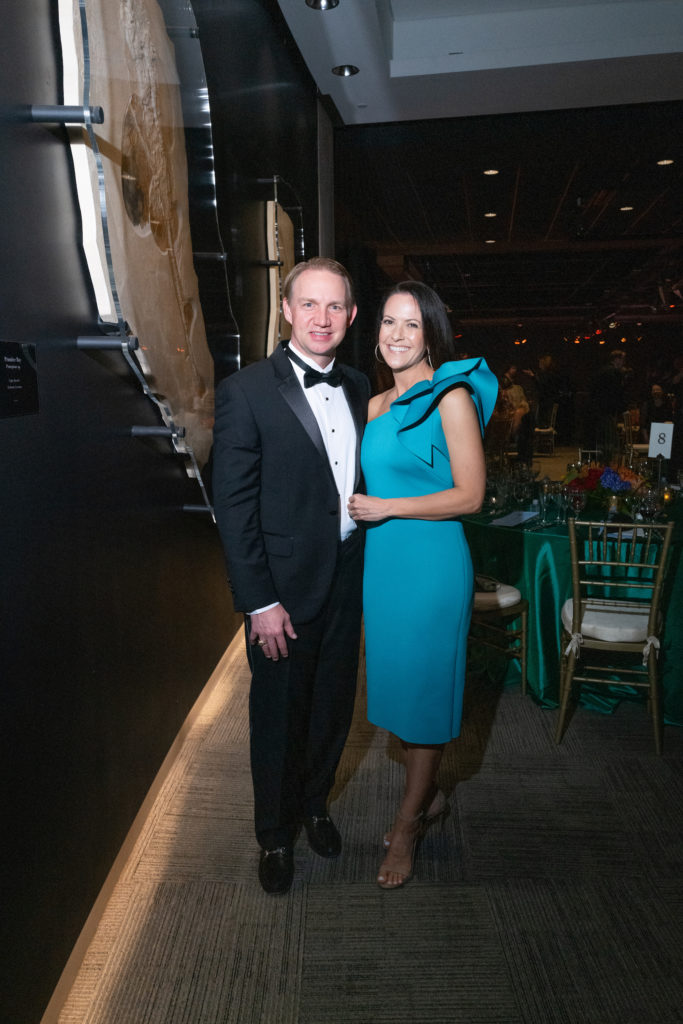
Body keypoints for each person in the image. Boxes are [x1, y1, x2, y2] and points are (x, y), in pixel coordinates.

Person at [212, 257, 370, 894]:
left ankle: (314, 806)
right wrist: (259, 603)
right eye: (310, 304)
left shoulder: (359, 385)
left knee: (332, 708)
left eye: (335, 307)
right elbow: (235, 508)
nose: (323, 318)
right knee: (279, 716)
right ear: (286, 310)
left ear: (351, 316)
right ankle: (274, 837)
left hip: (347, 578)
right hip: (281, 591)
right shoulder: (246, 390)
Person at [347, 282, 497, 889]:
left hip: (432, 567)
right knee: (399, 693)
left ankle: (407, 827)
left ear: (431, 333)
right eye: (387, 322)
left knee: (426, 698)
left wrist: (388, 508)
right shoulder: (376, 404)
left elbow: (470, 495)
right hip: (384, 568)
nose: (396, 336)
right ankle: (429, 799)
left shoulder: (449, 396)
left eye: (411, 325)